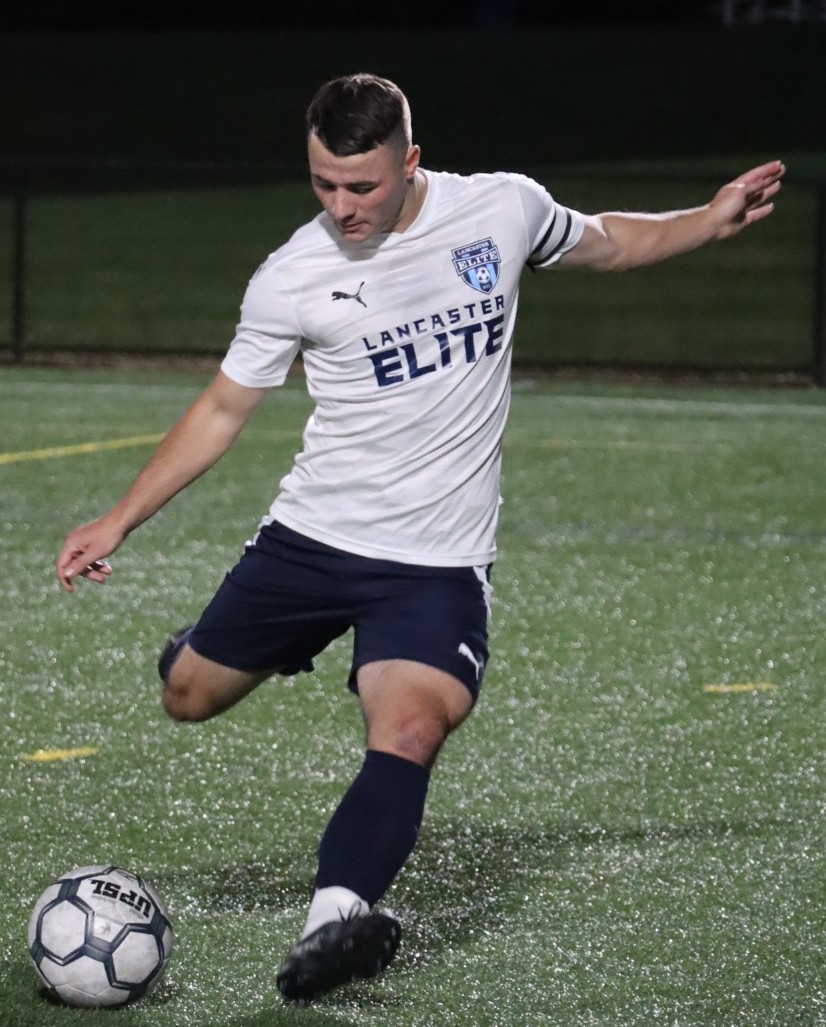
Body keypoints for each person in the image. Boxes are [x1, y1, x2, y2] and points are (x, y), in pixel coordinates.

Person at [56, 74, 784, 1003]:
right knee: (186, 698)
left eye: (361, 186)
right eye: (322, 184)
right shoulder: (293, 274)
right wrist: (119, 516)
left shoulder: (502, 211)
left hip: (435, 563)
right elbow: (223, 410)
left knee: (411, 725)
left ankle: (334, 923)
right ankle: (227, 651)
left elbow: (611, 242)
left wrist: (708, 218)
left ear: (411, 160)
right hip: (313, 540)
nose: (341, 206)